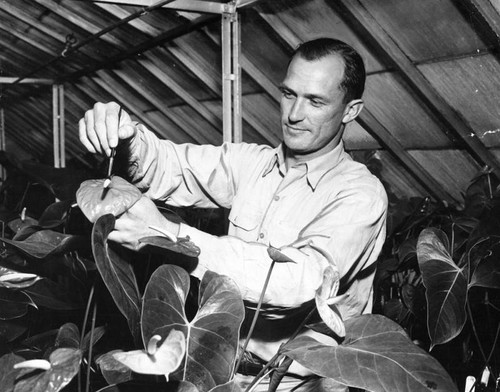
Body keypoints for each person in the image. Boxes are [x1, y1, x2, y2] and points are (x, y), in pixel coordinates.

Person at [79, 38, 388, 391]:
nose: (294, 114)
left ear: (351, 111)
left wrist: (172, 235)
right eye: (289, 94)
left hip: (302, 384)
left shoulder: (360, 193)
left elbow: (300, 281)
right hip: (227, 373)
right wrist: (127, 136)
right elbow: (171, 165)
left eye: (315, 101)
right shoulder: (252, 164)